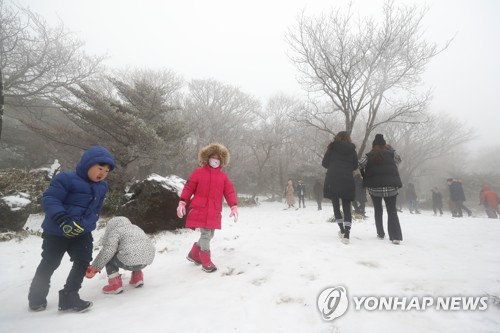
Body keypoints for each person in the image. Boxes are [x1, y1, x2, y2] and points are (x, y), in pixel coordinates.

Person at [28, 145, 115, 312]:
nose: (103, 173)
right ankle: (36, 297)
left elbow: (95, 210)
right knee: (50, 263)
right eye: (100, 168)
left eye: (106, 170)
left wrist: (85, 224)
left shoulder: (102, 187)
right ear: (88, 164)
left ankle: (70, 295)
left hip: (81, 233)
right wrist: (63, 220)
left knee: (83, 261)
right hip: (57, 232)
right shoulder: (66, 178)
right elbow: (50, 198)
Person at [176, 143, 238, 273]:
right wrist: (182, 202)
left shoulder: (223, 177)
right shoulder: (199, 172)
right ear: (207, 158)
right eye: (212, 157)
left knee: (210, 235)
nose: (214, 160)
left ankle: (194, 254)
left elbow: (229, 192)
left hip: (214, 210)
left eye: (217, 158)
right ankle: (206, 261)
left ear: (221, 161)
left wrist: (233, 206)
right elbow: (189, 187)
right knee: (205, 234)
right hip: (200, 209)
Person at [85, 216, 156, 294]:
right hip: (146, 260)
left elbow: (108, 251)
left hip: (130, 261)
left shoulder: (115, 231)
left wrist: (95, 267)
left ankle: (115, 285)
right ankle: (137, 278)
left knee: (109, 258)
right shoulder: (136, 228)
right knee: (135, 253)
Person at [359, 134, 403, 245]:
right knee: (392, 211)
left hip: (375, 188)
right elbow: (398, 160)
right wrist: (391, 148)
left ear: (374, 145)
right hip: (391, 187)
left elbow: (360, 164)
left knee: (378, 210)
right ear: (385, 145)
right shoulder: (392, 153)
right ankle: (395, 236)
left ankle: (380, 233)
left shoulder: (369, 155)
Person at [322, 131, 358, 244]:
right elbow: (355, 165)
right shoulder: (352, 150)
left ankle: (342, 230)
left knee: (336, 205)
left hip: (333, 179)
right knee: (347, 207)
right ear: (348, 138)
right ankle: (347, 234)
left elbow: (324, 163)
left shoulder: (332, 148)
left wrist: (333, 165)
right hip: (347, 179)